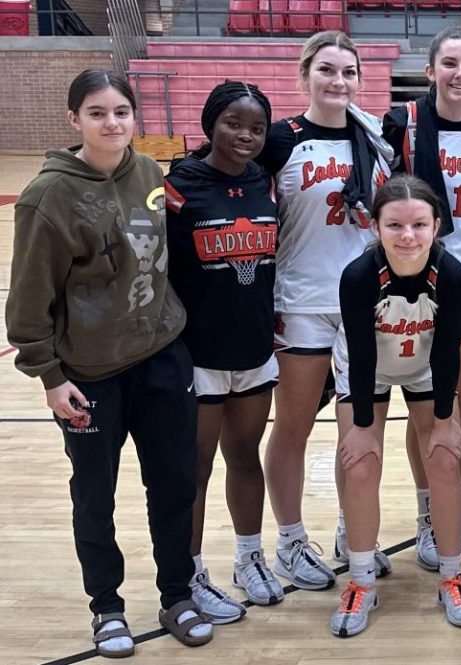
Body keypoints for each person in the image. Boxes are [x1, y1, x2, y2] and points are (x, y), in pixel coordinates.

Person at [6, 69, 213, 657]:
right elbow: (26, 304)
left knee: (173, 486)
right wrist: (50, 377)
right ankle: (107, 608)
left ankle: (177, 594)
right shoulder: (47, 197)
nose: (112, 123)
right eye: (97, 113)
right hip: (89, 376)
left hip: (161, 359)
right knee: (95, 496)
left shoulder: (149, 171)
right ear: (74, 120)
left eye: (121, 111)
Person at [254, 30, 392, 590]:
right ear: (304, 74)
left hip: (364, 303)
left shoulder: (377, 140)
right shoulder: (280, 140)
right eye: (327, 70)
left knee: (356, 429)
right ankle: (289, 539)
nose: (339, 82)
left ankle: (348, 526)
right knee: (293, 427)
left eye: (349, 72)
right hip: (303, 303)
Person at [382, 26, 461, 572]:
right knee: (426, 408)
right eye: (450, 64)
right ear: (431, 71)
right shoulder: (402, 123)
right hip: (417, 277)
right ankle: (430, 516)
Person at [329, 176, 461, 636]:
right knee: (360, 464)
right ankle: (360, 582)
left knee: (444, 460)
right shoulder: (358, 276)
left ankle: (452, 575)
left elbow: (449, 350)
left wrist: (447, 421)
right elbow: (362, 351)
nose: (407, 236)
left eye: (418, 224)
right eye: (394, 225)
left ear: (436, 226)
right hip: (366, 366)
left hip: (426, 364)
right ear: (374, 227)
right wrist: (361, 427)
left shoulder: (451, 274)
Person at [165, 81, 284, 622]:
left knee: (245, 457)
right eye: (234, 123)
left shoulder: (265, 182)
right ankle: (187, 575)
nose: (245, 135)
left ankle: (249, 558)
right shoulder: (176, 187)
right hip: (198, 354)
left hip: (255, 346)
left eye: (256, 128)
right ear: (211, 121)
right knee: (195, 470)